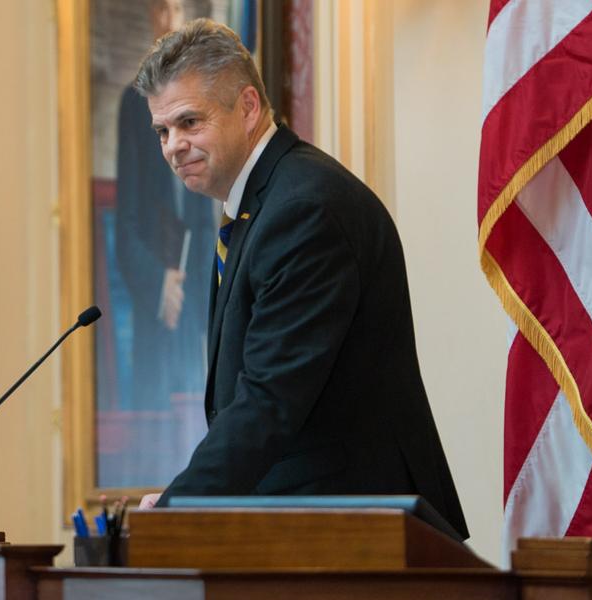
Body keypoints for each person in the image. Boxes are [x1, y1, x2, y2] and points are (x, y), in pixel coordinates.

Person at [133, 18, 468, 539]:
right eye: (162, 130)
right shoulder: (263, 207)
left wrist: (178, 508)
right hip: (311, 526)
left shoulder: (303, 208)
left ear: (247, 107)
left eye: (189, 122)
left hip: (360, 532)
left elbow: (269, 398)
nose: (173, 145)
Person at [115, 0, 214, 413]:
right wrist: (162, 285)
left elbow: (207, 217)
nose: (169, 17)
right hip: (154, 294)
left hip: (197, 290)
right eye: (162, 8)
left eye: (177, 7)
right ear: (152, 15)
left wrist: (191, 283)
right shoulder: (133, 103)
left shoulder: (206, 98)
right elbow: (128, 222)